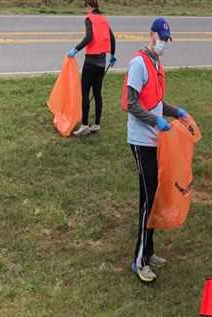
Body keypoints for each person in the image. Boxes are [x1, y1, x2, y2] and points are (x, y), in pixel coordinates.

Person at [121, 17, 188, 283]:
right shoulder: (139, 63)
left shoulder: (157, 64)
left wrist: (175, 112)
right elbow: (131, 104)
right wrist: (156, 121)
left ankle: (148, 251)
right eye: (161, 38)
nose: (163, 44)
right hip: (140, 141)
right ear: (151, 35)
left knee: (154, 196)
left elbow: (156, 102)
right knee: (149, 200)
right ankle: (139, 261)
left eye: (166, 40)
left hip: (154, 141)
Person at [68, 0, 117, 136]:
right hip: (101, 63)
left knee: (85, 93)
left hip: (90, 63)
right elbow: (112, 39)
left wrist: (75, 49)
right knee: (97, 93)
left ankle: (84, 125)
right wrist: (112, 55)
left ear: (89, 6)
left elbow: (89, 37)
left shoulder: (89, 19)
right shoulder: (104, 19)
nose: (86, 10)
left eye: (86, 7)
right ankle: (96, 124)